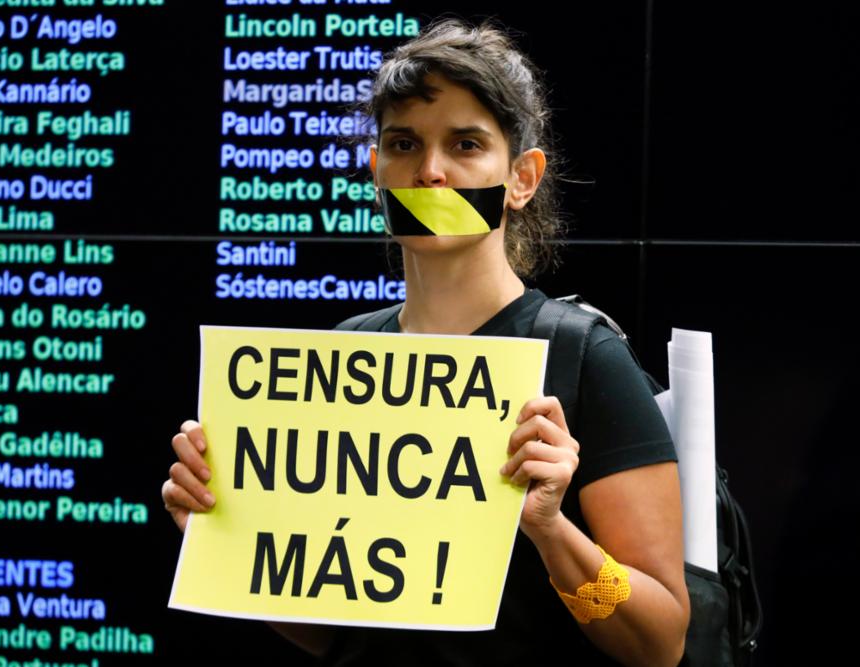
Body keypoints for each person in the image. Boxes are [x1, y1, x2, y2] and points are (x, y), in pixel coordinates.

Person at [162, 18, 689, 667]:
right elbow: (337, 631)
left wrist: (551, 529)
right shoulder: (346, 353)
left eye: (466, 144)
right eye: (404, 143)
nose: (431, 172)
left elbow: (661, 642)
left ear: (520, 179)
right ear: (377, 169)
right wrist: (219, 536)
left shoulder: (584, 356)